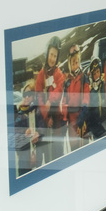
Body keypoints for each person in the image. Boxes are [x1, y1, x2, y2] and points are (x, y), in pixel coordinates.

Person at [23, 36, 66, 164]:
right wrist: (46, 118)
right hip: (46, 120)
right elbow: (39, 96)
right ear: (47, 53)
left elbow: (60, 88)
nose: (52, 58)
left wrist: (51, 99)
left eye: (55, 56)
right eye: (51, 54)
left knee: (58, 150)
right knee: (48, 154)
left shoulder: (58, 73)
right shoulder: (42, 74)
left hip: (57, 119)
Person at [78, 58, 106, 139]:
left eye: (98, 72)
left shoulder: (105, 85)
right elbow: (88, 112)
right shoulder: (90, 91)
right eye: (94, 73)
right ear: (91, 75)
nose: (97, 75)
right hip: (96, 128)